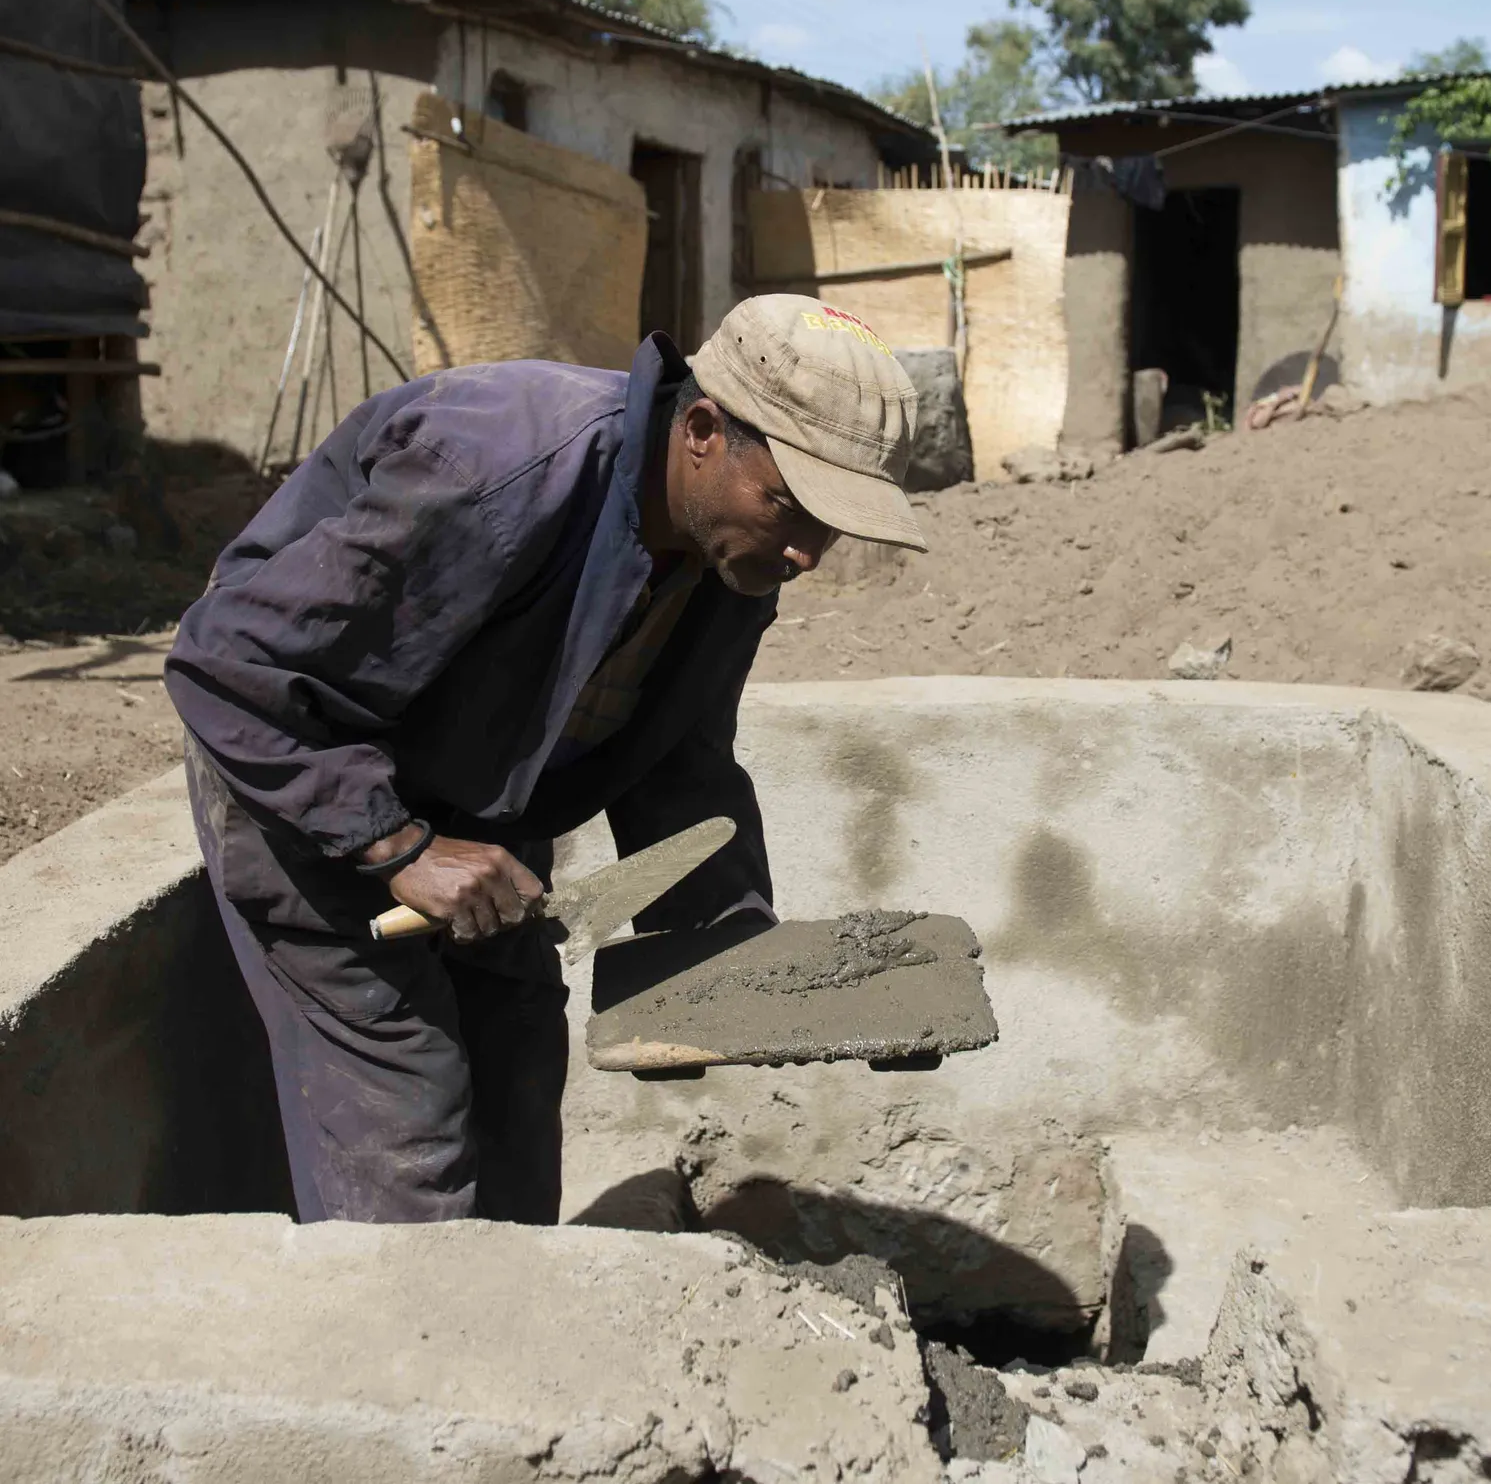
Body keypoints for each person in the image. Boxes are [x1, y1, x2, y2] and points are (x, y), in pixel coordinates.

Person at [166, 293, 927, 1225]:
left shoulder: (736, 550)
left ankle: (512, 1348)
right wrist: (398, 849)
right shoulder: (498, 469)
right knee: (411, 1122)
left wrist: (727, 961)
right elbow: (233, 665)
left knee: (518, 1066)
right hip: (303, 770)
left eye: (833, 523)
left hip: (474, 794)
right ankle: (397, 1355)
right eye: (792, 506)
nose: (811, 551)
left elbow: (681, 755)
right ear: (701, 431)